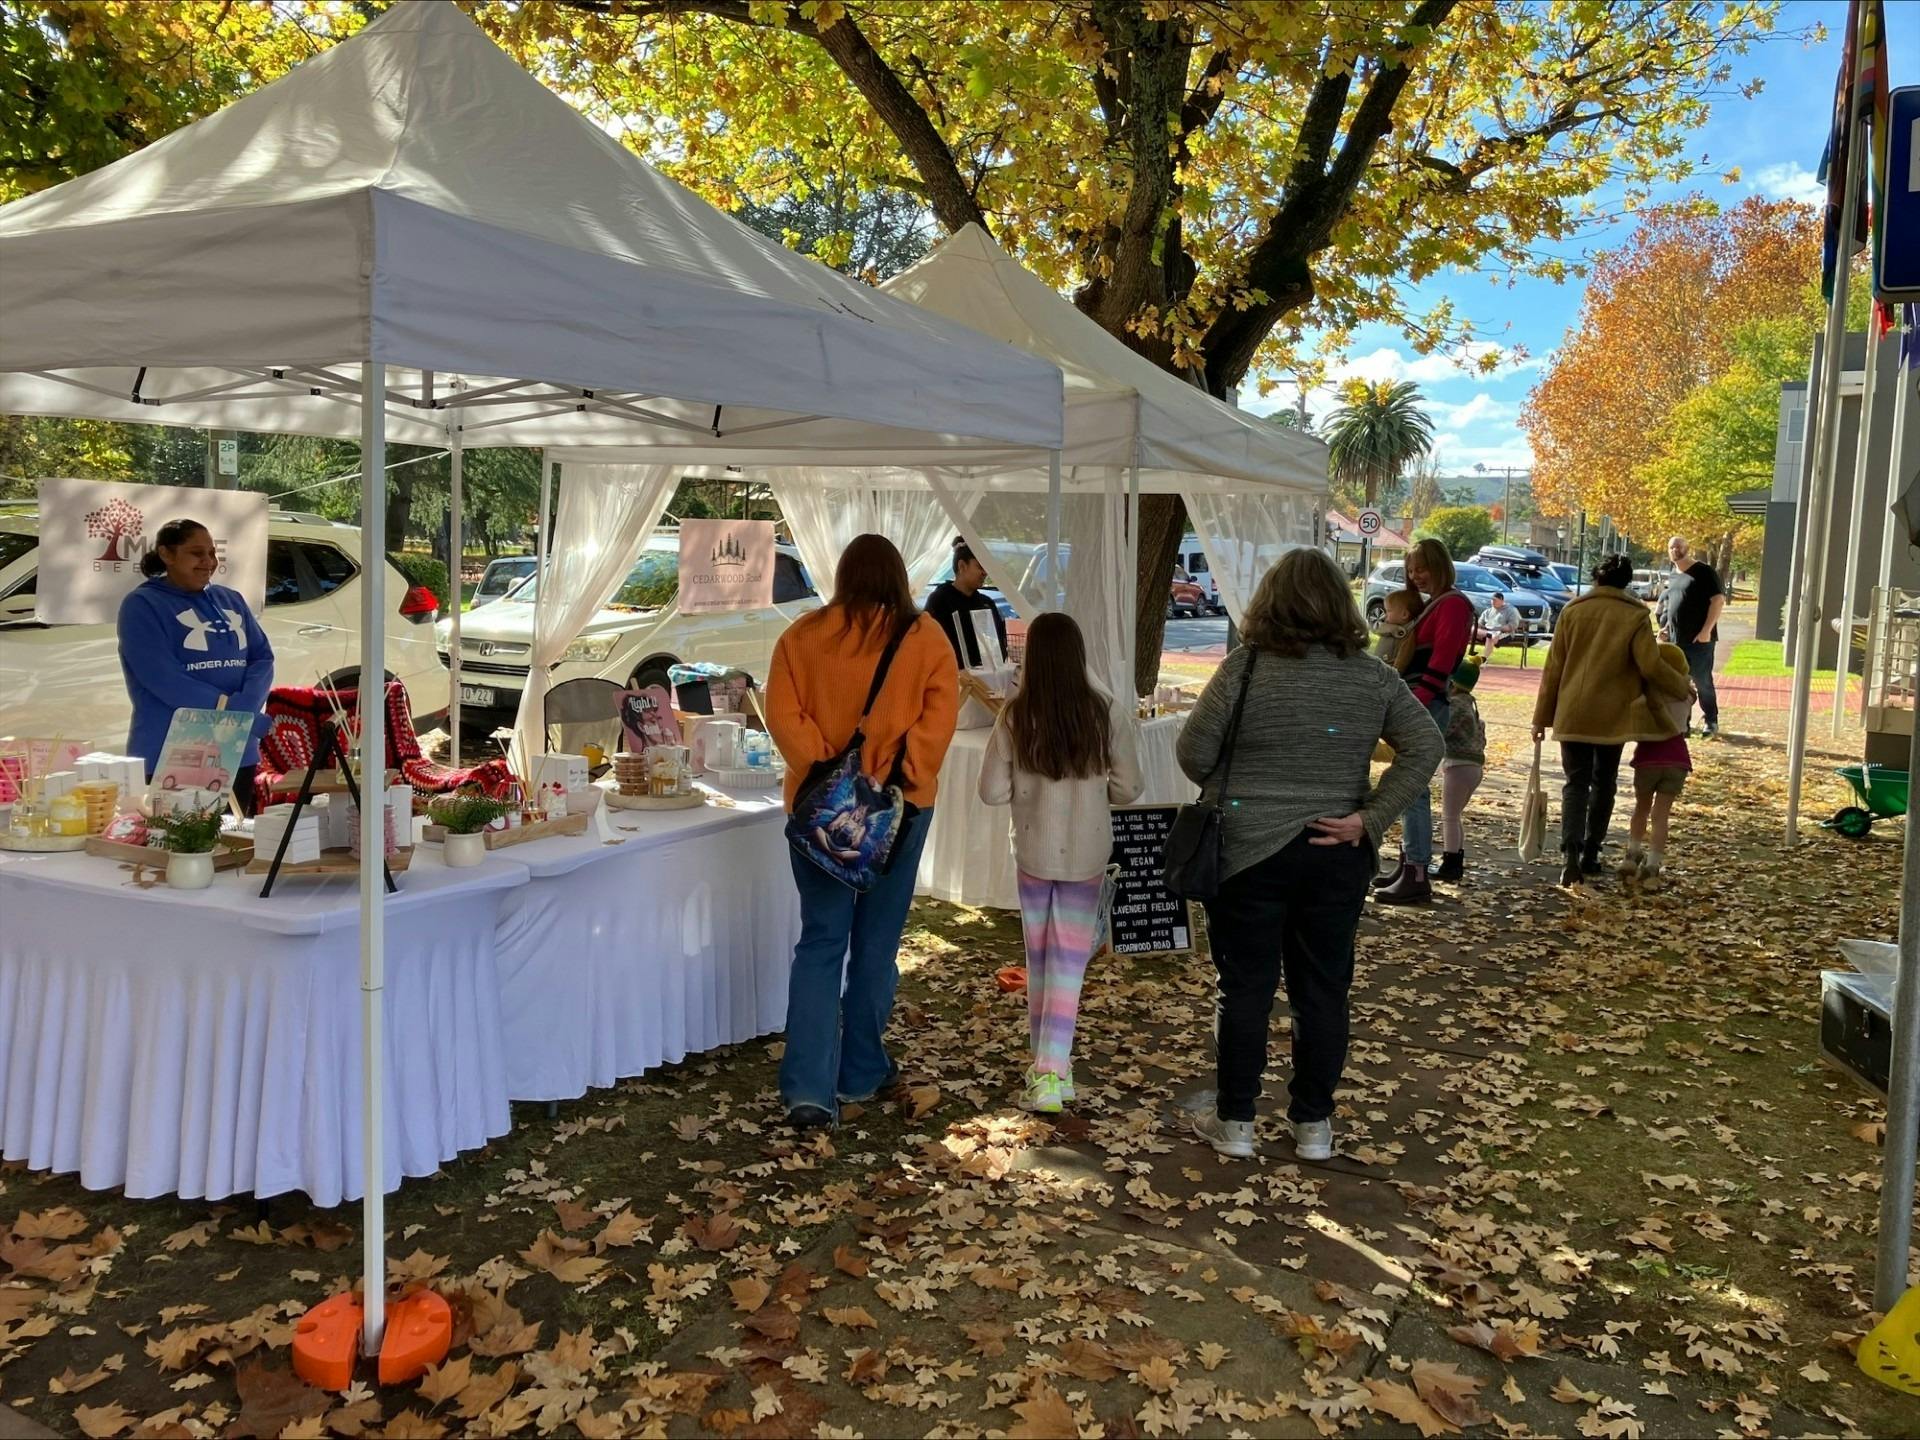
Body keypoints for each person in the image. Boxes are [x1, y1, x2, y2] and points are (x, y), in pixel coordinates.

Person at [1177, 547, 1442, 1162]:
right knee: (1323, 989)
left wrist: (1246, 775)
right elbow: (1423, 747)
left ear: (1270, 601)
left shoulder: (1244, 669)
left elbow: (1193, 754)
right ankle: (1313, 1127)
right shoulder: (1372, 675)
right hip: (1336, 853)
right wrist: (1371, 817)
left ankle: (1236, 1121)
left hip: (1246, 852)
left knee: (1244, 987)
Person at [766, 534, 959, 1130]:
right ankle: (859, 1072)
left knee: (821, 943)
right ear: (898, 578)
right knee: (876, 946)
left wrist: (824, 765)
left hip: (821, 809)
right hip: (898, 814)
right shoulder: (925, 639)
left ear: (843, 576)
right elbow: (939, 716)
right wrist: (898, 776)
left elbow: (781, 710)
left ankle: (808, 1091)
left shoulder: (803, 636)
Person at [977, 613, 1142, 1113]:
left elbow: (990, 791)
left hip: (1032, 850)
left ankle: (1047, 1068)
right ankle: (1052, 1069)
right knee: (1069, 963)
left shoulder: (1015, 714)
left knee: (1040, 959)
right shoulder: (1105, 711)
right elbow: (1130, 787)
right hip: (1088, 853)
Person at [1532, 554, 1691, 888]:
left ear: (1596, 578)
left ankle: (1570, 857)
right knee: (1603, 782)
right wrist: (1680, 685)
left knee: (1575, 782)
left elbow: (1553, 668)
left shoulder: (1572, 611)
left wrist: (1540, 718)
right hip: (1613, 713)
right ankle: (1592, 851)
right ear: (1627, 582)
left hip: (1572, 711)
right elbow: (1650, 665)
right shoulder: (1635, 615)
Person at [116, 517, 274, 812]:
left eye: (212, 553)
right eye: (196, 553)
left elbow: (262, 657)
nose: (208, 562)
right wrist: (235, 715)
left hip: (237, 751)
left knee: (234, 846)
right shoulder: (142, 605)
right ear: (166, 554)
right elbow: (163, 678)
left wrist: (245, 708)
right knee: (179, 847)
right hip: (173, 751)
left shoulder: (230, 599)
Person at [1375, 538, 1473, 905]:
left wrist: (1414, 704)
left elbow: (1442, 661)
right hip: (1419, 703)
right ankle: (1408, 864)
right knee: (1407, 786)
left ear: (1440, 566)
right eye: (1411, 570)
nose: (1416, 576)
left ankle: (1416, 871)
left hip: (1425, 704)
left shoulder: (1451, 605)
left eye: (1422, 568)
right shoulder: (1436, 604)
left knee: (1413, 789)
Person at [1622, 643, 1694, 888]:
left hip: (1648, 757)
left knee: (1641, 808)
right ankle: (1653, 864)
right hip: (1677, 758)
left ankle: (1632, 854)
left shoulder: (1645, 695)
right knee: (1661, 815)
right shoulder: (1687, 695)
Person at [1658, 536, 1724, 738]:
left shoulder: (1704, 572)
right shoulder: (1674, 575)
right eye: (1671, 547)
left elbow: (1718, 601)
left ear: (1688, 548)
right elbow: (1673, 606)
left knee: (1702, 681)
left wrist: (1706, 631)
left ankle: (1711, 720)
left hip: (1699, 641)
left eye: (1678, 546)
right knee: (1680, 682)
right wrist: (1667, 628)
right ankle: (1683, 723)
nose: (1675, 549)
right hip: (1676, 640)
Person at [1434, 658, 1485, 882]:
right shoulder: (1471, 704)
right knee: (1455, 816)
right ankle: (1456, 859)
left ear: (1452, 684)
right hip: (1474, 766)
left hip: (1458, 765)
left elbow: (1443, 729)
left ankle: (1450, 862)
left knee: (1449, 817)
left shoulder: (1455, 706)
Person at [925, 537, 1008, 669]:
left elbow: (999, 646)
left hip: (987, 681)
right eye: (980, 566)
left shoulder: (987, 603)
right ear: (962, 566)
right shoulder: (939, 601)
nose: (984, 572)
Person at [1474, 592, 1526, 665]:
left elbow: (1512, 626)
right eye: (1491, 600)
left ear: (1501, 600)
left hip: (1504, 634)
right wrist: (1478, 627)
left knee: (1490, 637)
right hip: (1487, 632)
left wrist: (1497, 629)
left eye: (1495, 600)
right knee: (1471, 630)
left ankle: (1484, 660)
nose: (1492, 602)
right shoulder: (1488, 611)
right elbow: (1479, 624)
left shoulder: (1511, 610)